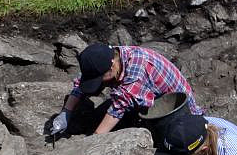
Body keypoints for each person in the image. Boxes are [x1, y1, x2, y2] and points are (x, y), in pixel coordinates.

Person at [48, 43, 202, 136]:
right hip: (147, 95)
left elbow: (118, 107)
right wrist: (65, 113)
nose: (100, 83)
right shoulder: (107, 57)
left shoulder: (136, 71)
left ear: (112, 66)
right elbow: (82, 83)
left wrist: (94, 141)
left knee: (166, 136)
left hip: (177, 107)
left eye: (101, 78)